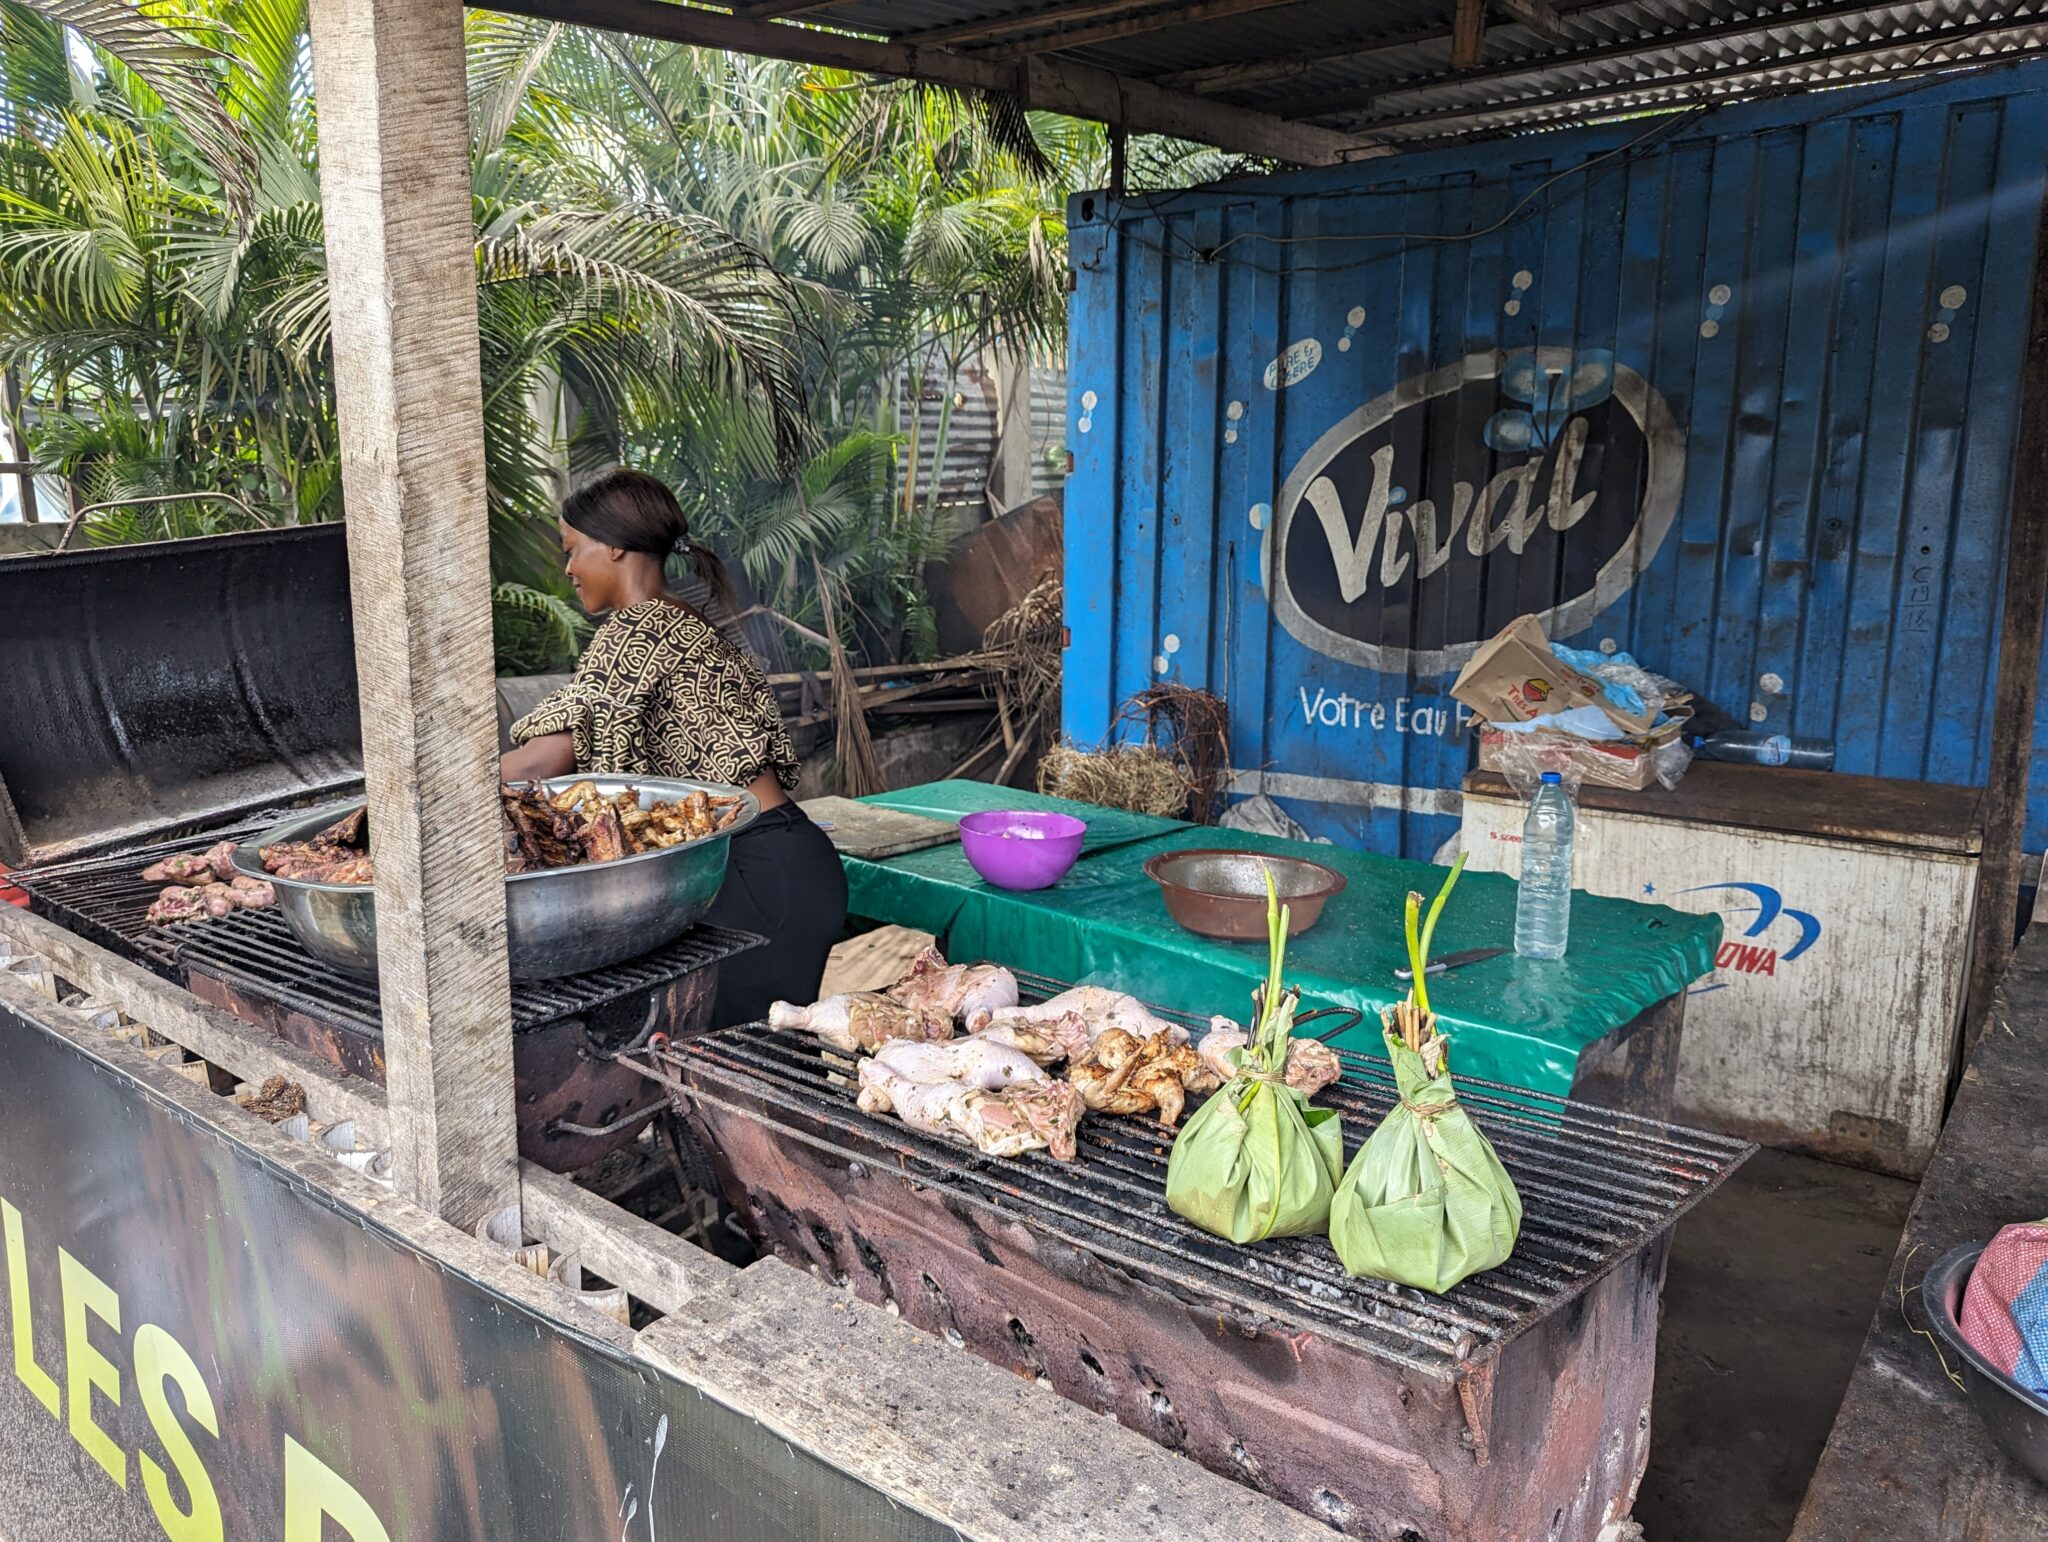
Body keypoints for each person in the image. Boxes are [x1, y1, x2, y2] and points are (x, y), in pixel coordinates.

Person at [502, 468, 846, 1026]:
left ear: (614, 546)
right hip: (783, 864)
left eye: (572, 551)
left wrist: (434, 797)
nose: (567, 570)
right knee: (750, 1066)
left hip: (758, 870)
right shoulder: (684, 621)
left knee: (735, 1076)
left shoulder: (637, 630)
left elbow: (546, 758)